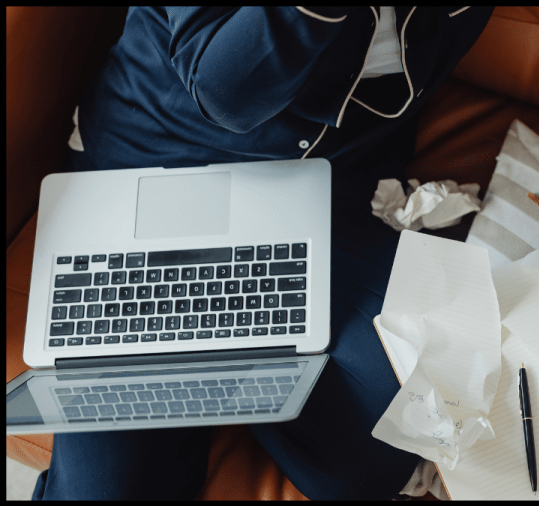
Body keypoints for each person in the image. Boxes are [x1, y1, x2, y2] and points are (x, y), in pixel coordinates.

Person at [32, 6, 494, 500]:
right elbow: (227, 91)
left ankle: (222, 348)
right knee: (105, 492)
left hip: (320, 193)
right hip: (154, 168)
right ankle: (205, 351)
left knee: (376, 460)